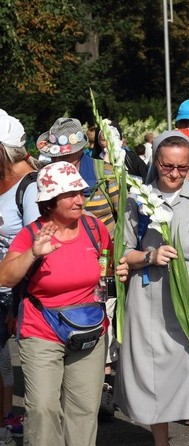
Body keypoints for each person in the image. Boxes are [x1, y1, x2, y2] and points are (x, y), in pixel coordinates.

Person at [114, 131, 189, 446]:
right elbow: (124, 251)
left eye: (182, 167)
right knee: (157, 376)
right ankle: (161, 442)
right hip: (150, 301)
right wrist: (149, 256)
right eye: (168, 167)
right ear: (156, 163)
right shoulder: (137, 197)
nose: (175, 174)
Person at [0, 161, 112, 446]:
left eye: (80, 192)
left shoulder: (95, 229)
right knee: (43, 408)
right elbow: (6, 276)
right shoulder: (32, 234)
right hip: (42, 330)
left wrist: (113, 272)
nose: (79, 200)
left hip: (88, 329)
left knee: (84, 409)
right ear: (49, 202)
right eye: (70, 194)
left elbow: (105, 265)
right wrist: (33, 254)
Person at [0, 111, 40, 441]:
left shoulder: (30, 188)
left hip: (17, 294)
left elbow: (37, 251)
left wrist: (17, 305)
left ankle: (10, 422)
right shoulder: (5, 180)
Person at [36, 118, 120, 234]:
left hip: (104, 248)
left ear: (80, 150)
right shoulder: (46, 178)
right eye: (53, 156)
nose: (58, 160)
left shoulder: (105, 172)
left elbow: (123, 215)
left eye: (65, 156)